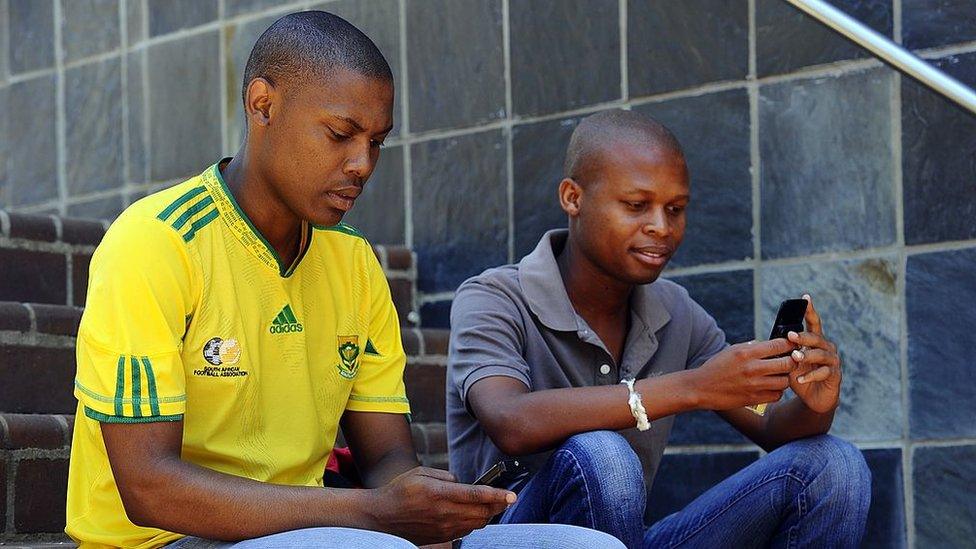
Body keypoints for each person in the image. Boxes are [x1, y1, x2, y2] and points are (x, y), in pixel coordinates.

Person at [66, 11, 622, 549]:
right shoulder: (157, 242)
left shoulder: (355, 265)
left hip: (320, 532)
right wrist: (374, 514)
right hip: (164, 540)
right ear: (264, 105)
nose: (362, 163)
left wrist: (423, 510)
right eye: (340, 134)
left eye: (377, 141)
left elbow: (385, 460)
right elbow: (147, 486)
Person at [447, 109, 872, 548]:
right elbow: (509, 420)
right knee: (603, 455)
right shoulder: (494, 296)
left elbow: (771, 427)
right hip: (510, 536)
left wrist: (815, 403)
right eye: (636, 206)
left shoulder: (675, 311)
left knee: (833, 464)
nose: (661, 227)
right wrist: (693, 387)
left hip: (629, 540)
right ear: (573, 197)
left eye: (676, 209)